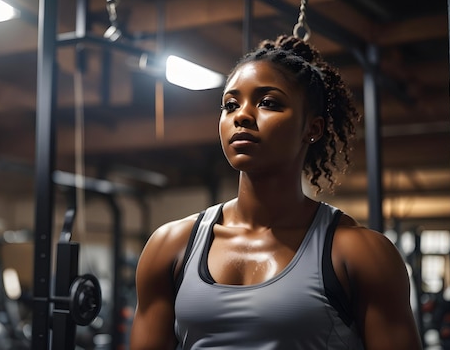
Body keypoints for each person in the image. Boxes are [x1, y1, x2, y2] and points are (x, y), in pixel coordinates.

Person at [129, 35, 422, 350]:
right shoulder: (169, 246)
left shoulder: (360, 253)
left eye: (268, 102)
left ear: (313, 128)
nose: (241, 115)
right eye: (230, 105)